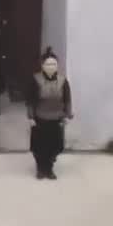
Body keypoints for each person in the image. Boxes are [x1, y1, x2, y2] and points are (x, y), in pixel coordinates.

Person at [26, 48, 71, 180]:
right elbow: (30, 100)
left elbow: (67, 99)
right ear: (42, 65)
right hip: (40, 118)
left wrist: (67, 115)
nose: (51, 67)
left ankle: (49, 167)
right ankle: (41, 168)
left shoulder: (63, 81)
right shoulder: (36, 80)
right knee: (39, 146)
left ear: (57, 65)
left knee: (56, 146)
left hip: (57, 118)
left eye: (54, 64)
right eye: (48, 64)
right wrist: (30, 116)